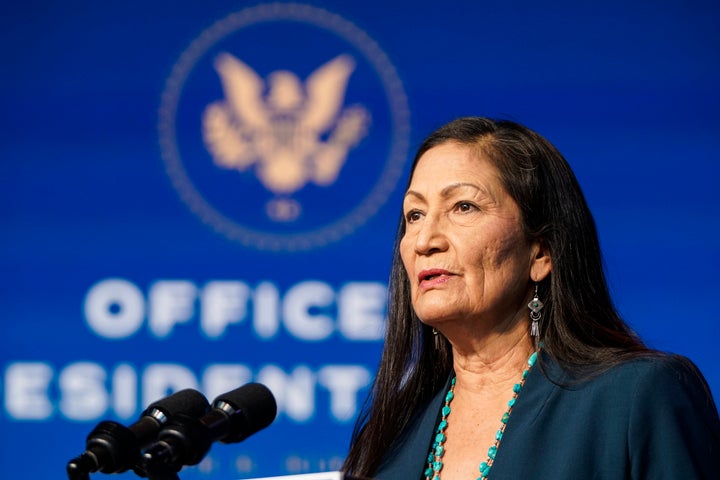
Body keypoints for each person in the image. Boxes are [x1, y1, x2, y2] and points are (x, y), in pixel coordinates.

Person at [341, 117, 720, 479]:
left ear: (541, 252)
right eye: (415, 214)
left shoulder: (640, 397)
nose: (425, 241)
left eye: (463, 207)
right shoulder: (391, 434)